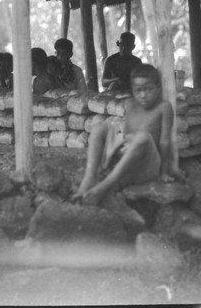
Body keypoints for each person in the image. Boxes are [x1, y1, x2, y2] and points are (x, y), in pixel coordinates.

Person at [74, 64, 182, 206]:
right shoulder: (130, 104)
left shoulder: (164, 107)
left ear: (158, 88)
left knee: (143, 136)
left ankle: (106, 185)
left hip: (148, 167)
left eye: (148, 89)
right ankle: (90, 176)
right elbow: (127, 135)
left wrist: (164, 172)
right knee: (99, 128)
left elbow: (165, 141)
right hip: (127, 163)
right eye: (138, 90)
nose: (143, 95)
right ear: (132, 90)